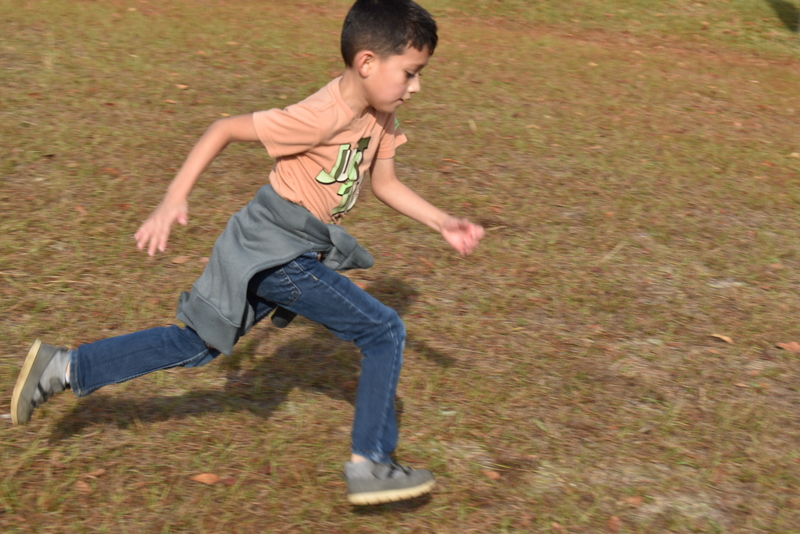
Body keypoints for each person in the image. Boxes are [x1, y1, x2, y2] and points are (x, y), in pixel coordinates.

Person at [10, 0, 484, 505]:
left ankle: (63, 367)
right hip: (275, 247)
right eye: (410, 73)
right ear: (367, 63)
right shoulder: (321, 115)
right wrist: (174, 197)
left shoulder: (381, 118)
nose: (416, 87)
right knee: (384, 329)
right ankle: (371, 463)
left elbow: (385, 183)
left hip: (285, 248)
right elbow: (223, 129)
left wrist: (442, 220)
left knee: (195, 344)